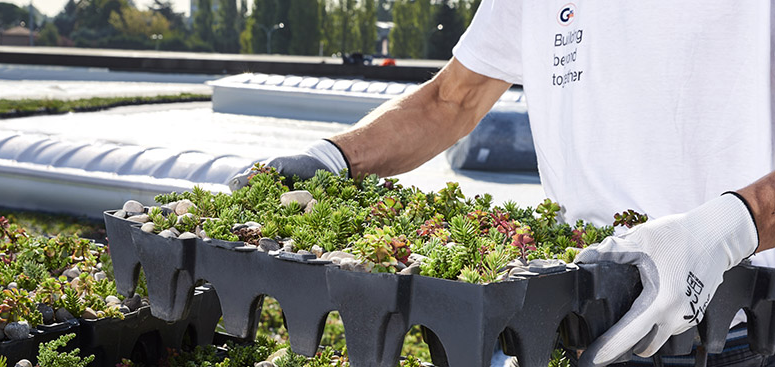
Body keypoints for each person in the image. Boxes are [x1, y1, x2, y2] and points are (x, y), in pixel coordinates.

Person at [230, 1, 773, 366]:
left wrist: (730, 227)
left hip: (737, 329)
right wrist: (335, 156)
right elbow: (451, 99)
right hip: (576, 318)